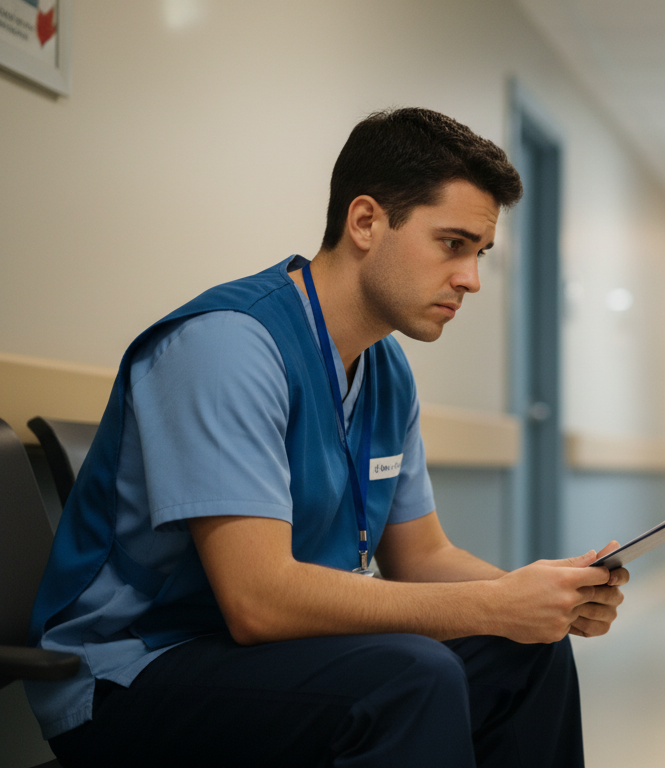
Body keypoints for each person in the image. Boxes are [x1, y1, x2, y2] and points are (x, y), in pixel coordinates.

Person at [25, 108, 627, 767]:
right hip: (132, 675)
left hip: (261, 656)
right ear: (365, 222)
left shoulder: (384, 368)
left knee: (525, 652)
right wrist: (492, 603)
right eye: (452, 244)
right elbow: (258, 602)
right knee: (410, 676)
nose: (470, 279)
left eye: (479, 253)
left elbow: (422, 557)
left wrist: (539, 598)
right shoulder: (228, 345)